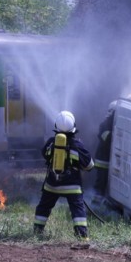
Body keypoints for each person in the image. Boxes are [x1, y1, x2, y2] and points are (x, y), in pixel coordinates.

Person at [34, 111, 94, 241]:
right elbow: (89, 166)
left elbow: (44, 154)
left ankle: (37, 231)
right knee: (78, 210)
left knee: (44, 207)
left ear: (56, 126)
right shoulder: (77, 146)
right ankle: (82, 236)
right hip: (72, 187)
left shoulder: (50, 142)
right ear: (74, 127)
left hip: (52, 185)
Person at [92, 103, 115, 206]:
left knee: (108, 183)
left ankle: (105, 202)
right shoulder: (105, 125)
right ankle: (95, 204)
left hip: (109, 160)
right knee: (101, 181)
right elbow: (106, 138)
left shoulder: (111, 124)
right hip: (103, 161)